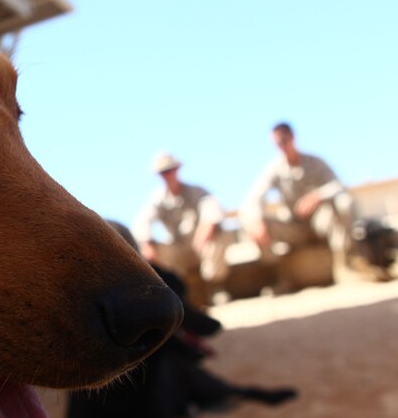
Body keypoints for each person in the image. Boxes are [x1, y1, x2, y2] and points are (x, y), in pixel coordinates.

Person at [240, 121, 366, 284]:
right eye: (277, 143)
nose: (282, 146)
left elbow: (339, 185)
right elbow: (254, 198)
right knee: (252, 224)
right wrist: (256, 221)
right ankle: (277, 277)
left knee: (342, 203)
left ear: (293, 137)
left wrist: (318, 195)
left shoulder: (315, 162)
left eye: (284, 140)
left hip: (321, 223)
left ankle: (345, 265)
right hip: (294, 227)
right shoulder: (274, 169)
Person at [132, 153, 231, 307]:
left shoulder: (197, 191)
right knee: (151, 250)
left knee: (219, 235)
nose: (167, 175)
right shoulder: (157, 199)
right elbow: (142, 220)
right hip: (179, 252)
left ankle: (216, 288)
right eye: (163, 172)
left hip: (202, 247)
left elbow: (213, 207)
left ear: (177, 169)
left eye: (170, 170)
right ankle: (183, 296)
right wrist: (147, 242)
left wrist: (207, 226)